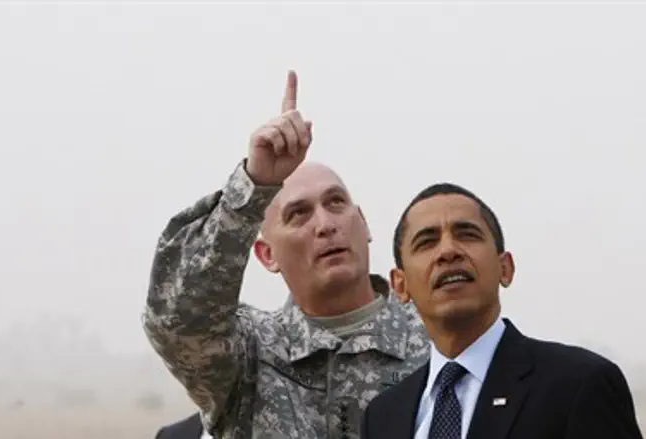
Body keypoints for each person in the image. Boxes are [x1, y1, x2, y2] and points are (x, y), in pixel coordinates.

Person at [142, 70, 430, 439]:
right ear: (266, 255)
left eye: (336, 203)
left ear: (364, 224)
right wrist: (253, 186)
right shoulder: (251, 355)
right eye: (299, 215)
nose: (325, 225)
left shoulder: (435, 337)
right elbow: (176, 319)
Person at [359, 183, 644, 439]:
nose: (448, 251)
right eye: (427, 242)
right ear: (400, 285)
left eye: (467, 234)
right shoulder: (383, 417)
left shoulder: (578, 386)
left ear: (505, 268)